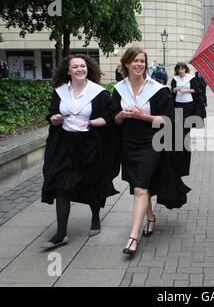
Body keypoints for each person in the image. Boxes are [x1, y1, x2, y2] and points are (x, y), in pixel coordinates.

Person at [112, 47, 190, 256]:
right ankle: (151, 218)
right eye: (134, 61)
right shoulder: (119, 89)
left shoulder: (157, 89)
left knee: (139, 188)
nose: (139, 64)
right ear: (126, 64)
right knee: (139, 184)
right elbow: (114, 119)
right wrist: (122, 114)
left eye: (142, 61)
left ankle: (133, 236)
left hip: (151, 143)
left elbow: (168, 121)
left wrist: (142, 116)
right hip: (128, 143)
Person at [41, 54, 119, 249]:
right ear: (68, 70)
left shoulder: (99, 93)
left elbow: (108, 118)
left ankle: (95, 218)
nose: (79, 69)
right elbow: (51, 114)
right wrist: (55, 118)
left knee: (91, 183)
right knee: (61, 185)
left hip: (89, 144)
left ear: (88, 68)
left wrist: (91, 122)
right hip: (64, 145)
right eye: (75, 66)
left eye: (82, 66)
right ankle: (61, 233)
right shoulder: (59, 92)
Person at [170, 62, 201, 177]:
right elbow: (171, 90)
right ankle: (180, 143)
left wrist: (186, 90)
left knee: (186, 126)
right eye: (179, 69)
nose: (180, 71)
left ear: (185, 69)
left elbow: (197, 90)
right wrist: (176, 89)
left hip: (189, 105)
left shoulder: (191, 79)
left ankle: (185, 140)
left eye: (182, 69)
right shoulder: (175, 79)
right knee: (179, 125)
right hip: (178, 104)